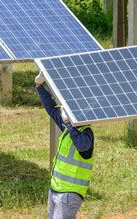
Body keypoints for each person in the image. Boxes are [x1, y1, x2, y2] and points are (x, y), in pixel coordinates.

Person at [35, 71, 94, 219]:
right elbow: (51, 109)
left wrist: (69, 124)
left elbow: (82, 146)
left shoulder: (86, 133)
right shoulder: (69, 130)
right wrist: (39, 86)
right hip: (55, 189)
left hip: (70, 194)